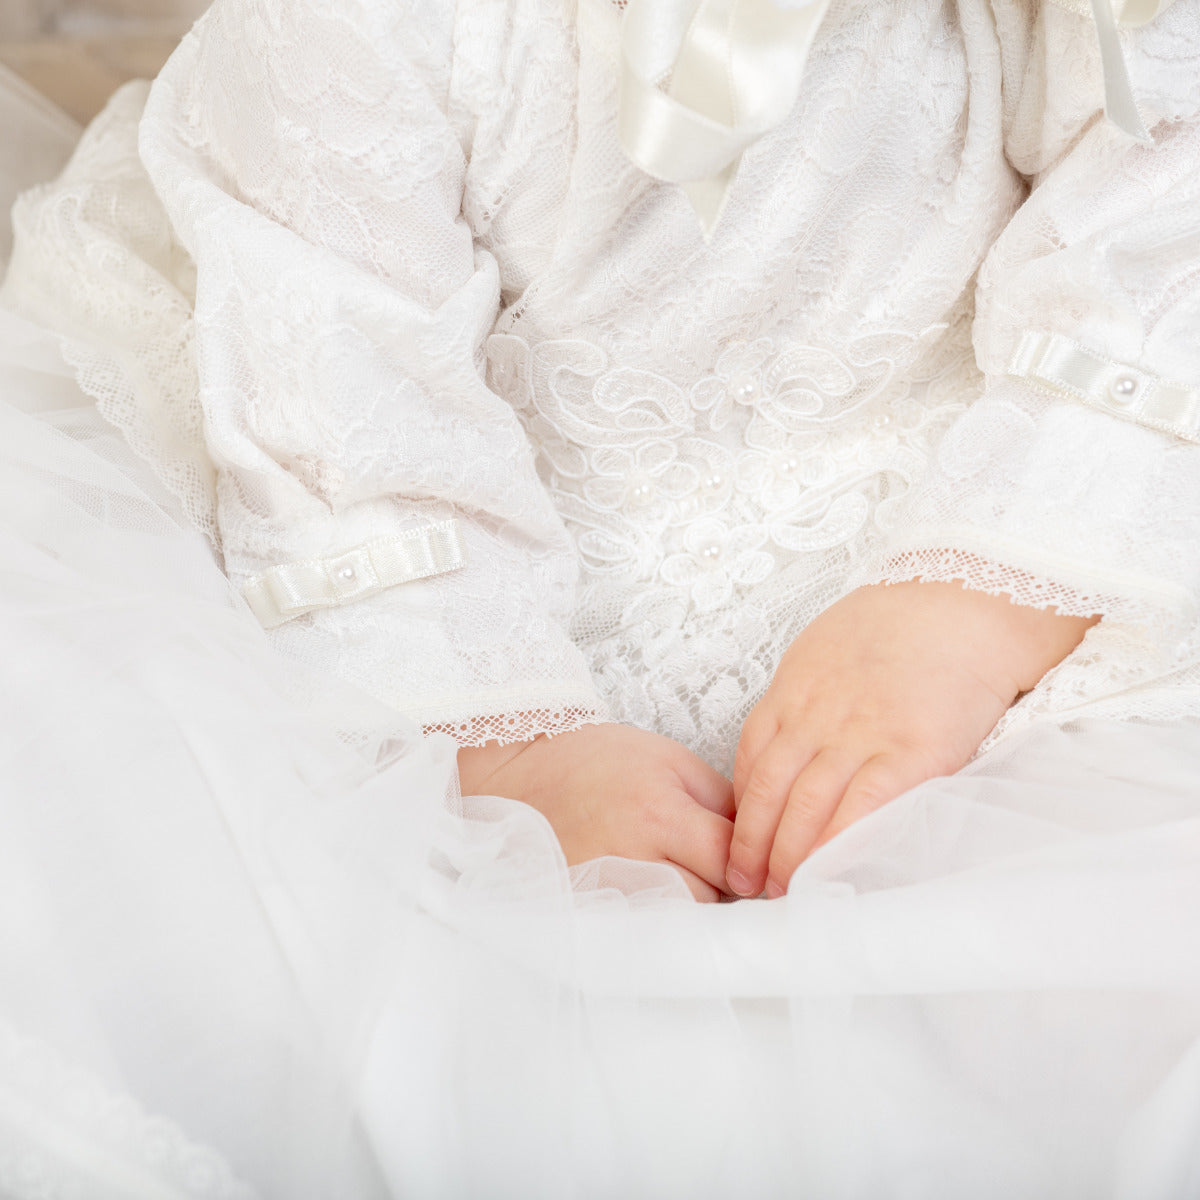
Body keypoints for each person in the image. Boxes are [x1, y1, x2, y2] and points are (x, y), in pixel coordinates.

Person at [1, 0, 1199, 1195]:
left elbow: (1159, 183)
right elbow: (346, 395)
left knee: (1091, 959)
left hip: (958, 468)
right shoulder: (347, 32)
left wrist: (975, 597)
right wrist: (509, 740)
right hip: (461, 518)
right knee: (233, 893)